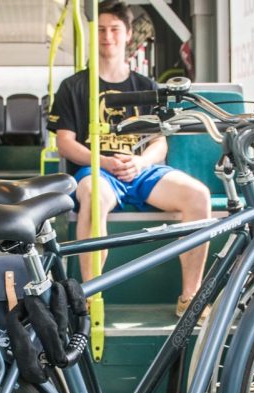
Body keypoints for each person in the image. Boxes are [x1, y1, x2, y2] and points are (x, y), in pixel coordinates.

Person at [48, 1, 213, 317]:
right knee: (95, 198)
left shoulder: (146, 86)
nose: (107, 37)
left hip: (141, 170)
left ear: (126, 35)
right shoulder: (74, 87)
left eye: (114, 30)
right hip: (98, 170)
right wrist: (104, 162)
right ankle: (89, 298)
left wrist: (141, 162)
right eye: (100, 31)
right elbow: (65, 144)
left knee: (198, 196)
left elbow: (159, 143)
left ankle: (190, 297)